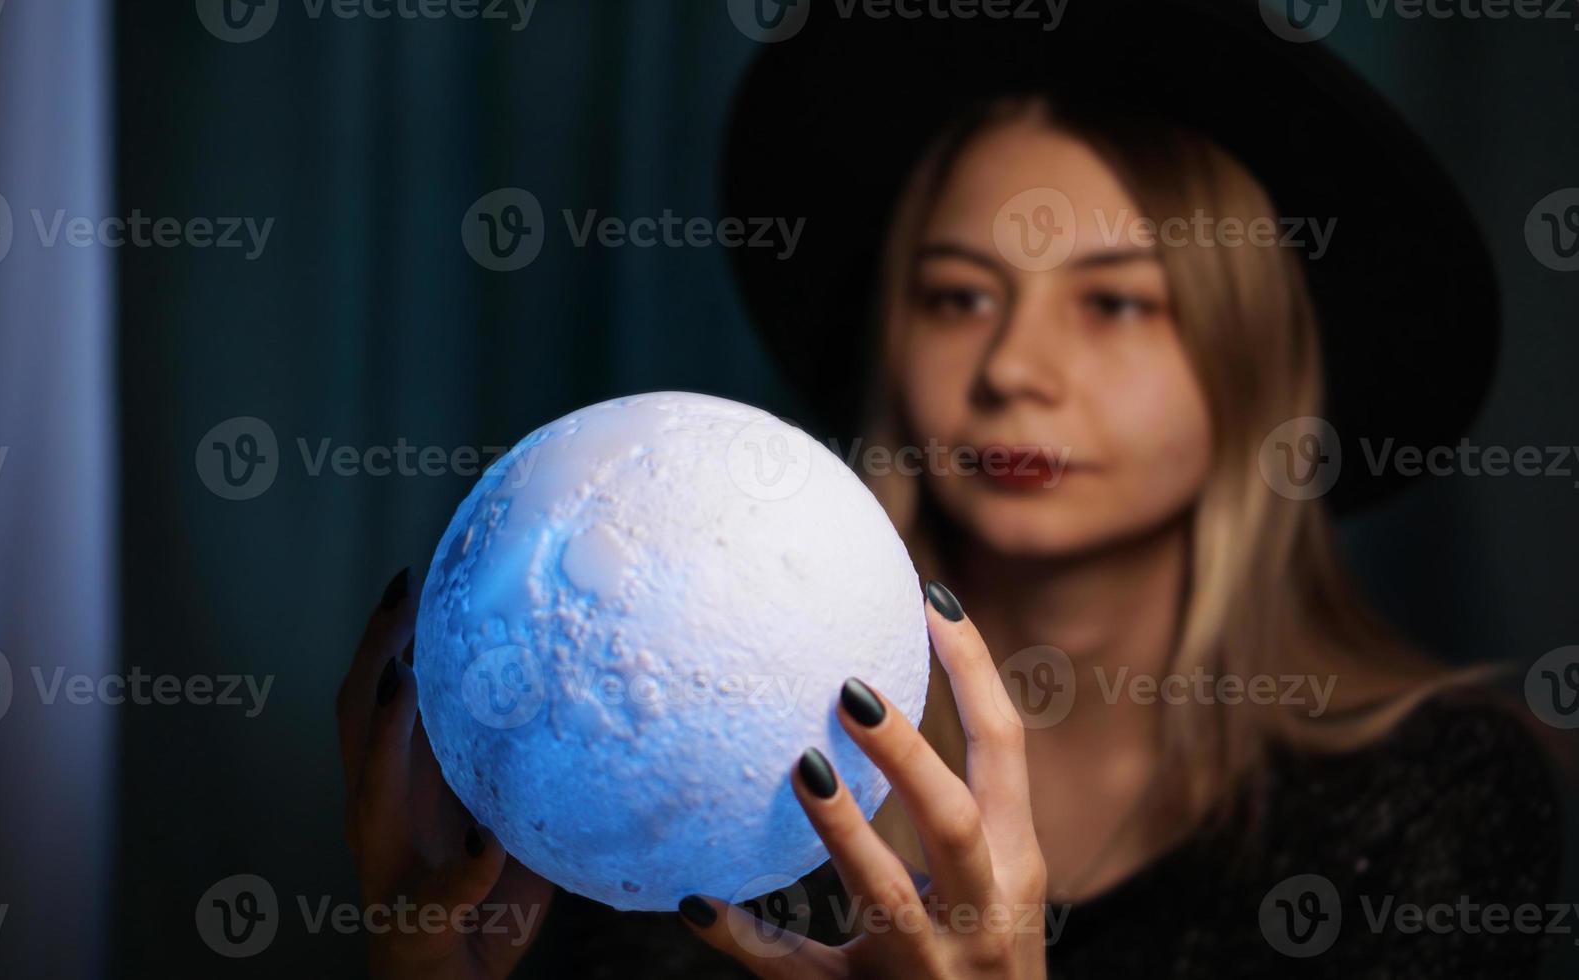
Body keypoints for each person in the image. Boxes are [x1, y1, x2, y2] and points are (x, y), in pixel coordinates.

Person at [335, 1, 1562, 975]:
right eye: (957, 295)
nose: (1013, 370)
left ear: (1247, 359)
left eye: (1115, 302)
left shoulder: (1437, 798)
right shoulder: (708, 764)